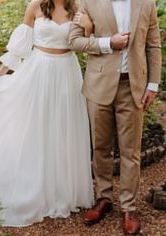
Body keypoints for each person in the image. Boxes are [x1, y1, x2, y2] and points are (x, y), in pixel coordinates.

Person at [0, 0, 94, 227]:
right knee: (38, 130)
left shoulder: (78, 7)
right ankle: (36, 188)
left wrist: (88, 26)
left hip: (67, 73)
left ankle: (63, 191)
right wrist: (2, 71)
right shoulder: (35, 6)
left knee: (63, 131)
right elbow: (21, 45)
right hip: (39, 71)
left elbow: (86, 42)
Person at [69, 0, 162, 234]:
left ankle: (129, 207)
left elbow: (153, 45)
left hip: (133, 87)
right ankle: (104, 198)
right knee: (100, 147)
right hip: (98, 85)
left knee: (131, 151)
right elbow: (74, 40)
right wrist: (108, 42)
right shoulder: (88, 2)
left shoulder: (146, 3)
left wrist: (152, 84)